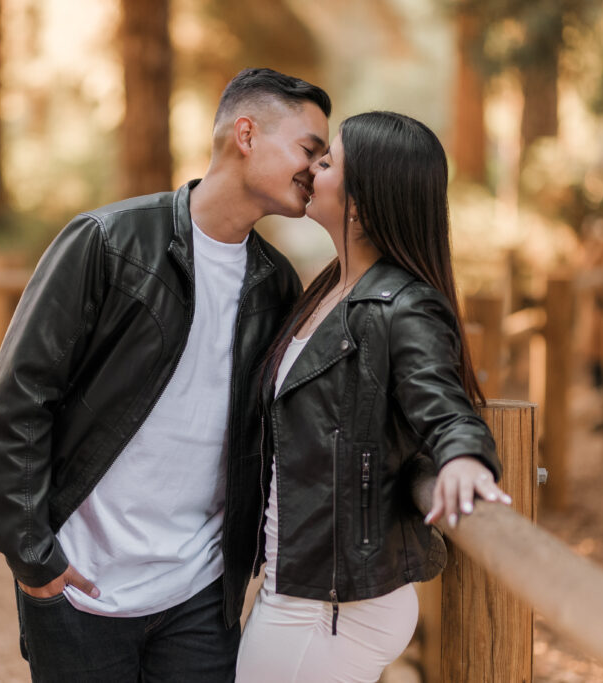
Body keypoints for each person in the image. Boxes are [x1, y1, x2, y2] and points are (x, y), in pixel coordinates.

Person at [0, 68, 331, 682]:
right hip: (80, 587)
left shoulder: (277, 284)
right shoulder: (107, 242)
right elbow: (19, 400)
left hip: (201, 594)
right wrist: (33, 557)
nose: (315, 171)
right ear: (246, 134)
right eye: (308, 150)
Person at [235, 111, 510, 683]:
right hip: (305, 588)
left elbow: (441, 400)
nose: (313, 167)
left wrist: (463, 456)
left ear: (360, 201)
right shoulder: (330, 287)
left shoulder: (404, 306)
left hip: (333, 605)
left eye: (329, 161)